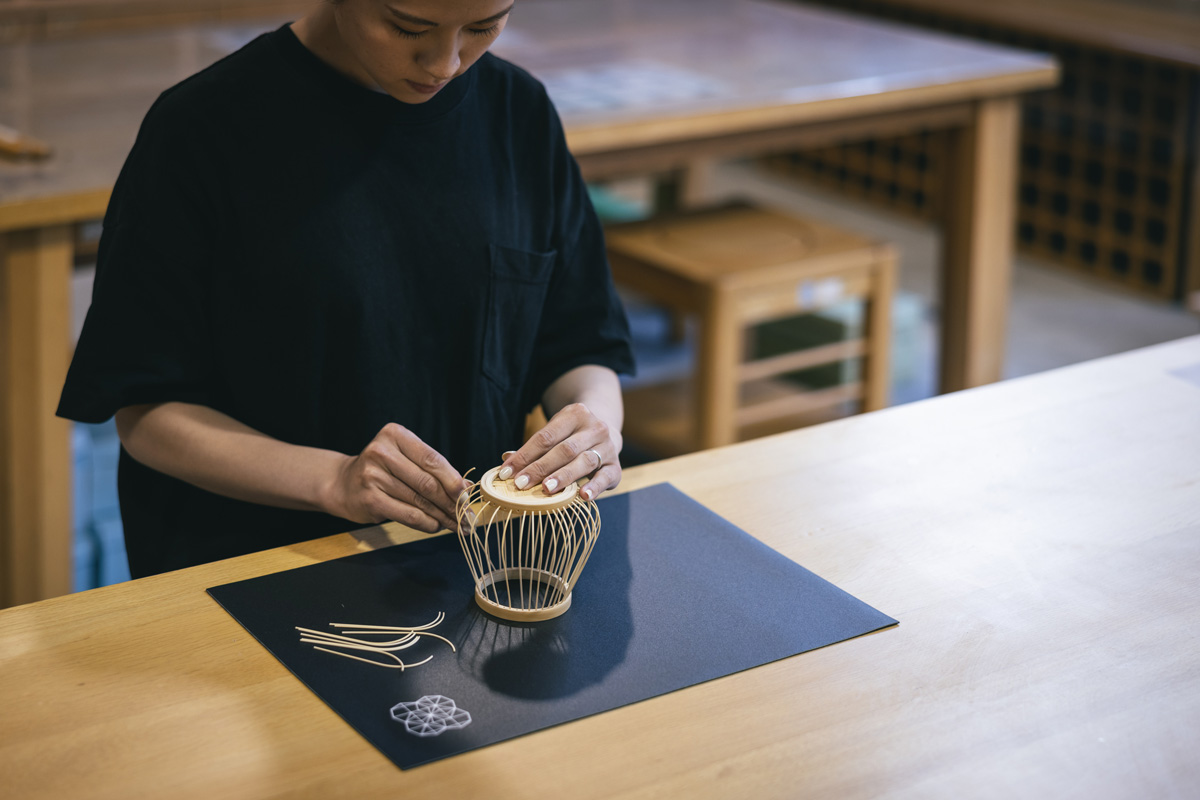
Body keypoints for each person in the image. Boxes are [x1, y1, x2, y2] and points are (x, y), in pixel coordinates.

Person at [57, 0, 635, 578]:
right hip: (252, 565)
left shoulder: (518, 111)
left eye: (484, 26)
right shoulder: (202, 128)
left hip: (467, 561)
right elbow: (146, 413)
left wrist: (595, 424)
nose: (446, 62)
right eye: (409, 26)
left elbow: (579, 338)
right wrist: (334, 480)